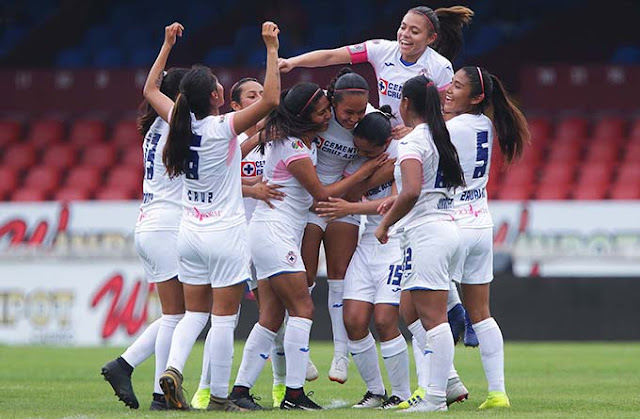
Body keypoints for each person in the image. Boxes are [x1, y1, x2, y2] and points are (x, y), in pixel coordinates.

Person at [141, 21, 282, 411]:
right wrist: (271, 48)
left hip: (189, 232)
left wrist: (167, 45)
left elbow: (151, 89)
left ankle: (171, 370)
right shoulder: (222, 127)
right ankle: (220, 397)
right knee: (223, 319)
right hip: (224, 233)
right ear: (218, 96)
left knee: (194, 313)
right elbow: (270, 101)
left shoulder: (178, 122)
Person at [229, 82, 386, 411]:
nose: (327, 114)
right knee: (303, 309)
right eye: (321, 111)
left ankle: (240, 393)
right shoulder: (295, 150)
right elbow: (323, 195)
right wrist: (367, 170)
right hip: (276, 233)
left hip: (271, 231)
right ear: (304, 117)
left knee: (271, 316)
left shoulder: (293, 139)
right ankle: (294, 395)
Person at [375, 75, 465, 412]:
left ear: (406, 104)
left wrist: (385, 223)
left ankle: (436, 398)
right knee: (409, 308)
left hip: (427, 232)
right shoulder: (442, 138)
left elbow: (411, 190)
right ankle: (451, 382)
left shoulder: (413, 143)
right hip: (444, 226)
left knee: (433, 318)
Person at [101, 67, 188, 411]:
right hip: (167, 225)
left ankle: (124, 367)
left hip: (152, 223)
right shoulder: (177, 124)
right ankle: (157, 394)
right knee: (175, 316)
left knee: (177, 314)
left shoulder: (154, 125)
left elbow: (151, 88)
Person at [443, 66, 528, 409]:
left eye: (457, 86)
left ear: (476, 97)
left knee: (420, 310)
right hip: (480, 222)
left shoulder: (451, 128)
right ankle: (497, 393)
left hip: (451, 224)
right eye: (451, 83)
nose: (449, 90)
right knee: (484, 314)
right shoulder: (486, 125)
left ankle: (437, 388)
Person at [315, 106, 411, 409]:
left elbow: (397, 200)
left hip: (395, 243)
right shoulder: (362, 157)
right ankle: (376, 392)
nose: (359, 153)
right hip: (368, 243)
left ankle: (402, 393)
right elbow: (351, 191)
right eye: (357, 147)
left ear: (383, 146)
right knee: (353, 320)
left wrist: (350, 207)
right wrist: (366, 172)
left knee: (384, 321)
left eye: (365, 151)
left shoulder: (403, 152)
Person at [279, 5, 473, 132]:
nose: (405, 35)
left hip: (418, 139)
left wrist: (417, 131)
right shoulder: (382, 49)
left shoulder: (440, 66)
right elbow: (332, 55)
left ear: (431, 38)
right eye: (403, 27)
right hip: (382, 134)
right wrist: (293, 62)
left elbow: (449, 113)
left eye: (414, 31)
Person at [300, 67, 374, 384]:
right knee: (301, 280)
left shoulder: (371, 120)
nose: (355, 118)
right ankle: (299, 353)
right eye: (348, 112)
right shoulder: (315, 115)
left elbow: (379, 155)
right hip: (307, 202)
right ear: (332, 102)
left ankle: (340, 356)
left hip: (342, 199)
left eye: (360, 111)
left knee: (339, 279)